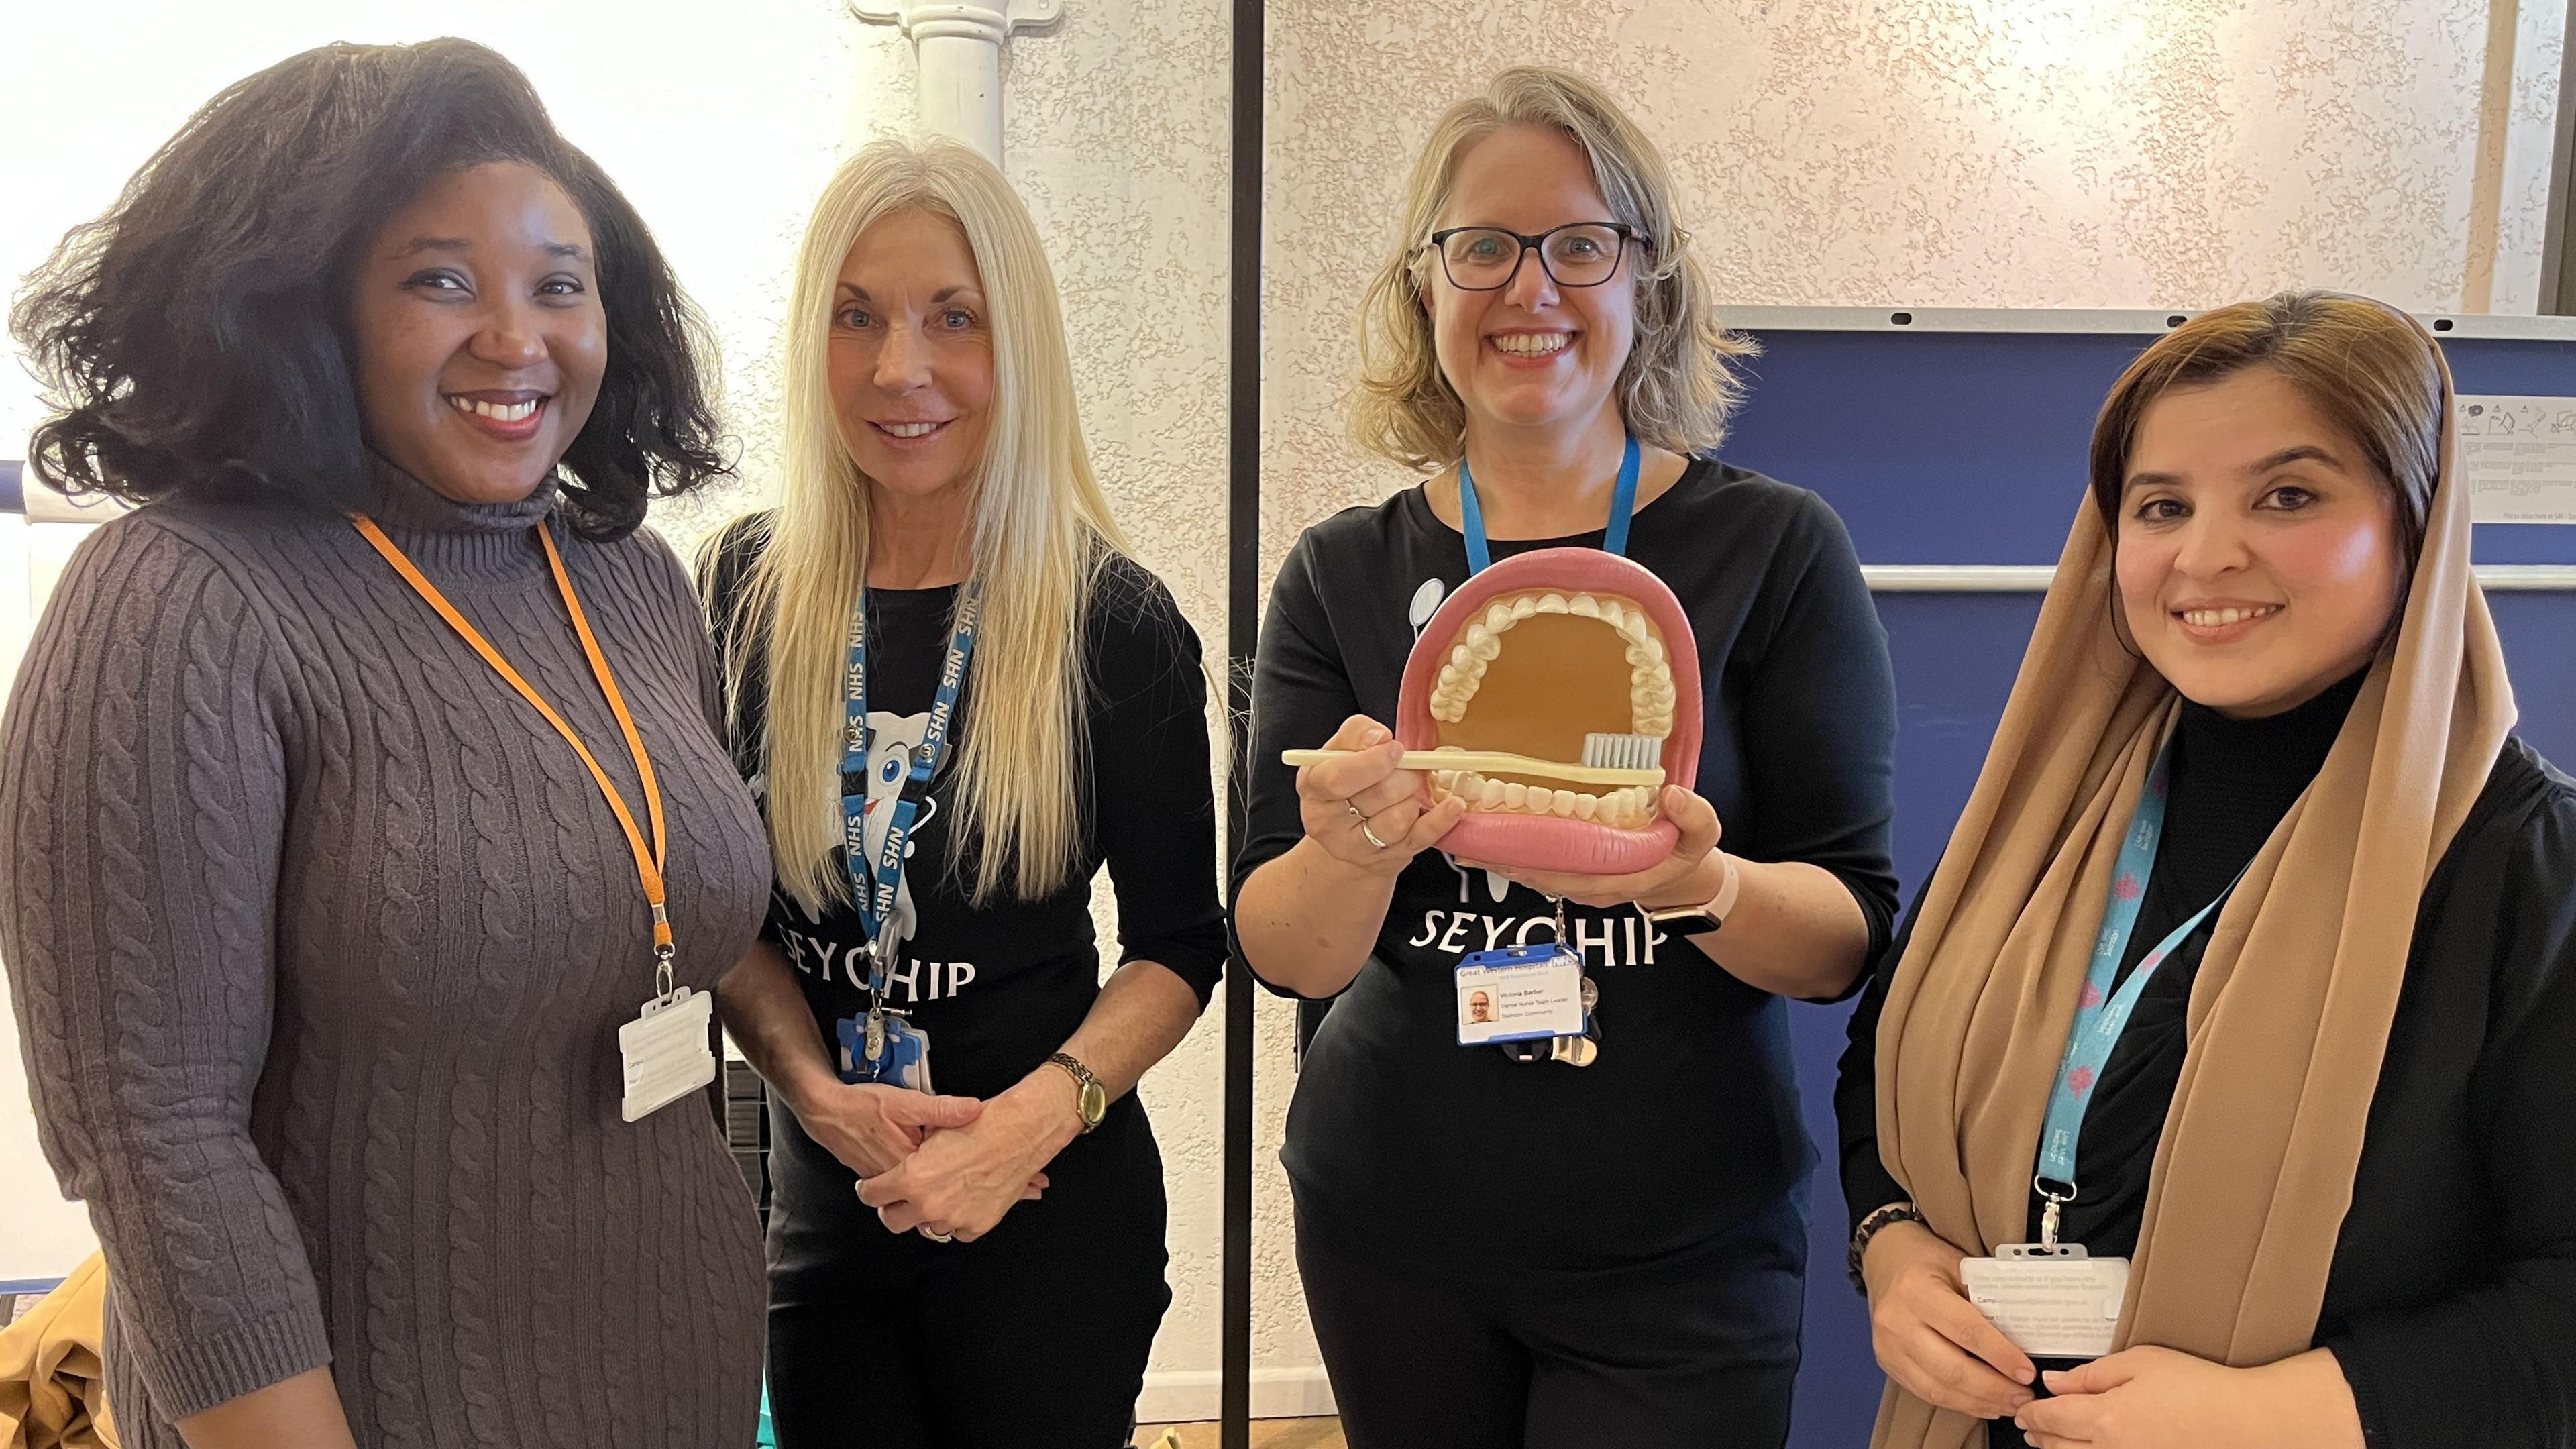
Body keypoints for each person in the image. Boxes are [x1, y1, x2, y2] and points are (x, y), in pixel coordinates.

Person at [0, 40, 768, 1449]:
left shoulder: (628, 577)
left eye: (558, 283)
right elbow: (156, 1140)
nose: (515, 338)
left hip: (680, 1372)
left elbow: (668, 916)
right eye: (440, 281)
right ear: (307, 312)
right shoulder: (178, 601)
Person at [1230, 66, 1898, 1448]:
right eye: (1482, 248)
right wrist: (1350, 849)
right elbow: (1284, 951)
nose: (1529, 289)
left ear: (1646, 279)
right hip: (1391, 1236)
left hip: (1685, 1255)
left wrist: (1692, 887)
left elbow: (1844, 940)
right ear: (1424, 287)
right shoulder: (1341, 573)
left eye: (1581, 246)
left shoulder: (1775, 552)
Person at [1837, 292, 2576, 1449]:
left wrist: (2273, 1413)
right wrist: (1889, 1248)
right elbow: (1884, 1068)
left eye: (2289, 495)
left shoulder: (2528, 870)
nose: (2206, 553)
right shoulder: (2046, 819)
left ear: (2417, 526)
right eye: (2161, 505)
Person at [699, 138, 1224, 1449]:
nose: (900, 368)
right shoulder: (741, 595)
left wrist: (1028, 1124)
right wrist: (815, 1093)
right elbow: (724, 920)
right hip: (831, 1214)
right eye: (857, 317)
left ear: (1018, 348)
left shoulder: (1115, 621)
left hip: (1052, 1216)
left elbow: (1177, 947)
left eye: (954, 319)